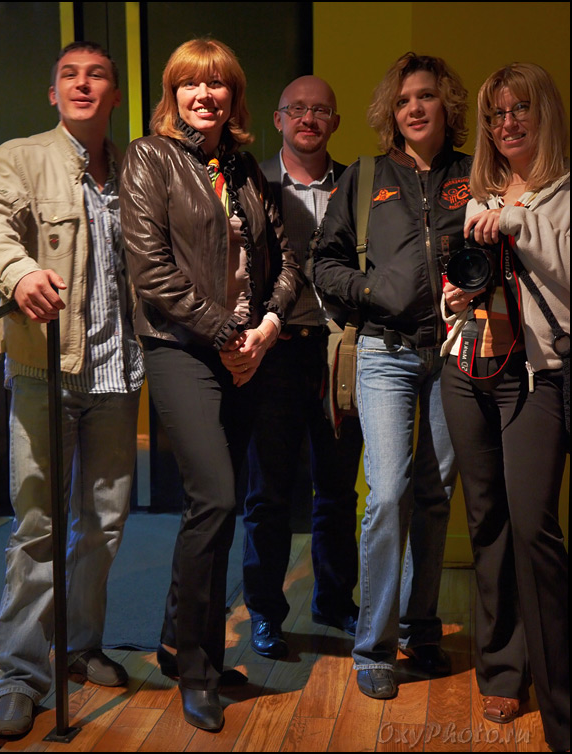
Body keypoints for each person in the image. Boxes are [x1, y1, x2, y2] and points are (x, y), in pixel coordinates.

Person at [119, 38, 302, 732]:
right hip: (181, 349)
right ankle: (198, 670)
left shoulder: (244, 167)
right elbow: (151, 272)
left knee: (214, 511)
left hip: (246, 352)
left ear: (234, 97)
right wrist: (227, 335)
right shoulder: (148, 158)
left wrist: (268, 328)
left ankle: (177, 642)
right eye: (191, 84)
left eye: (218, 84)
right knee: (218, 498)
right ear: (173, 94)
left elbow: (286, 261)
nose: (205, 95)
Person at [0, 42, 143, 737]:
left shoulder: (136, 169)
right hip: (45, 369)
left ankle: (80, 645)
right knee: (36, 525)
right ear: (53, 93)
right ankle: (20, 675)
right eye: (69, 75)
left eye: (96, 75)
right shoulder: (18, 157)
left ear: (115, 94)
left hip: (118, 374)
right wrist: (18, 274)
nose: (82, 84)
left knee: (103, 524)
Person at [313, 52, 472, 699]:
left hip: (455, 351)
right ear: (390, 111)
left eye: (425, 96)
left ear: (445, 104)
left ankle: (419, 626)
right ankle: (373, 648)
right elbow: (324, 263)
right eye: (403, 99)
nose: (414, 107)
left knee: (435, 494)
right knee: (386, 495)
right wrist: (372, 288)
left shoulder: (473, 175)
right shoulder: (365, 177)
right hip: (384, 352)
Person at [440, 63, 569, 752]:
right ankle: (502, 669)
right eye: (495, 114)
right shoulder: (479, 194)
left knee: (531, 527)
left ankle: (557, 698)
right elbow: (470, 281)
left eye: (519, 109)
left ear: (544, 112)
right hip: (471, 364)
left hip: (535, 375)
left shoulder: (563, 191)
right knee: (486, 519)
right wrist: (454, 297)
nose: (506, 123)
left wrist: (514, 221)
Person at [243, 75, 362, 660]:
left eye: (320, 110)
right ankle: (265, 612)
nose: (308, 118)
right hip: (277, 352)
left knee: (338, 487)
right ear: (278, 119)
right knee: (267, 493)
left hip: (342, 350)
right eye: (297, 109)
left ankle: (334, 601)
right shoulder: (253, 184)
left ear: (334, 121)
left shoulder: (359, 186)